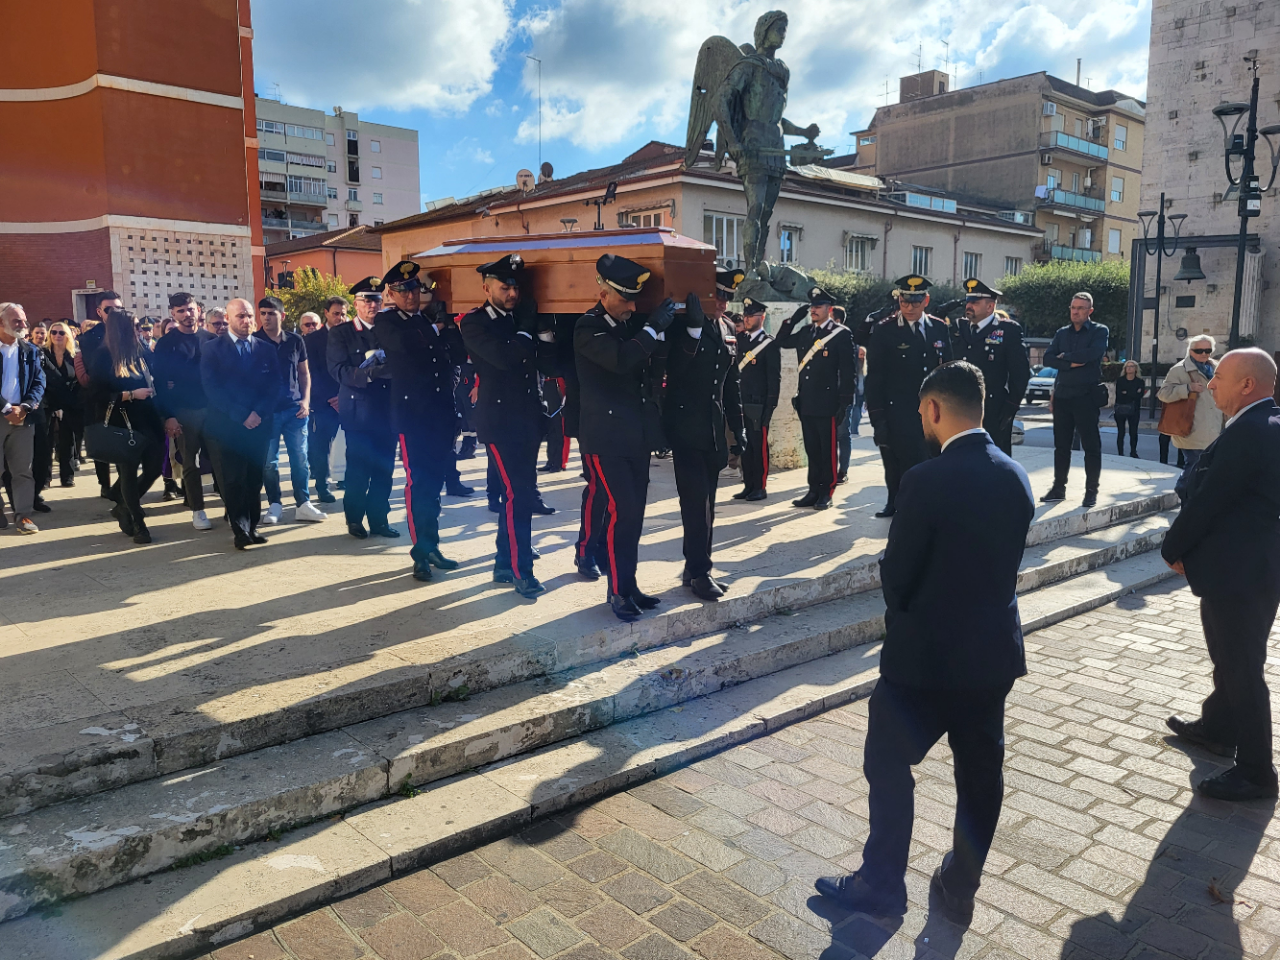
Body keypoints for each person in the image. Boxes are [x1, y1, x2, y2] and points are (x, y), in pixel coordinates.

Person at [816, 360, 1034, 924]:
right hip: (990, 655)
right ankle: (961, 883)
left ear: (934, 409)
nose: (921, 421)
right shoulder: (1016, 474)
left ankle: (881, 884)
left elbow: (902, 576)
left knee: (887, 764)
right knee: (980, 774)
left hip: (925, 661)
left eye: (921, 412)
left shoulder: (925, 478)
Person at [1162, 348, 1280, 802]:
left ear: (1247, 385)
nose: (1211, 384)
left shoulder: (1250, 431)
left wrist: (1173, 547)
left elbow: (1210, 500)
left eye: (1220, 378)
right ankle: (1218, 727)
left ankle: (1255, 771)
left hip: (1241, 572)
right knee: (1229, 656)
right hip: (1248, 566)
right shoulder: (1264, 422)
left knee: (1242, 667)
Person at [574, 254, 677, 620]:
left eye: (636, 298)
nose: (633, 305)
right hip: (604, 439)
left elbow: (649, 359)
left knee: (634, 516)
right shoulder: (588, 328)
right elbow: (621, 360)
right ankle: (617, 591)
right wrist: (652, 329)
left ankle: (628, 584)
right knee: (622, 512)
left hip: (634, 436)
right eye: (625, 298)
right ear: (604, 294)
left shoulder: (628, 324)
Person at [461, 255, 557, 597]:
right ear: (487, 288)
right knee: (518, 495)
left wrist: (542, 330)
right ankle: (521, 571)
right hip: (500, 422)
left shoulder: (522, 319)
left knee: (517, 493)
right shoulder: (474, 322)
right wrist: (524, 328)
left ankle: (504, 561)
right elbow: (504, 358)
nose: (513, 293)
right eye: (506, 287)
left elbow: (547, 360)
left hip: (529, 418)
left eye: (517, 286)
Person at [374, 262, 468, 579]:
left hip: (440, 413)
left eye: (415, 288)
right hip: (413, 417)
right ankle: (420, 553)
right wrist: (437, 328)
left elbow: (456, 357)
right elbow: (403, 345)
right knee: (419, 484)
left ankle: (432, 545)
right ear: (390, 293)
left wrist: (450, 326)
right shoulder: (387, 321)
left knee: (435, 483)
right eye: (403, 290)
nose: (411, 295)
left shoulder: (428, 322)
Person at [664, 291, 745, 600]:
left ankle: (695, 568)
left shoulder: (727, 328)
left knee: (709, 505)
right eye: (717, 297)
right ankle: (700, 571)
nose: (723, 304)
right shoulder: (684, 326)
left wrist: (738, 428)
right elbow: (675, 372)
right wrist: (693, 332)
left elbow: (730, 382)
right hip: (686, 429)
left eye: (727, 299)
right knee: (696, 504)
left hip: (713, 431)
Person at [864, 276, 954, 517]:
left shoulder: (939, 327)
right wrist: (877, 418)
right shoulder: (885, 330)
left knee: (930, 461)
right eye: (905, 302)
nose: (909, 308)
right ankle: (895, 501)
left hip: (932, 412)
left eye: (915, 302)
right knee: (895, 463)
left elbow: (947, 371)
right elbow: (874, 378)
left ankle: (926, 505)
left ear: (926, 300)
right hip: (898, 411)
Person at [200, 299, 283, 550]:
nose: (246, 321)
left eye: (249, 316)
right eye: (240, 317)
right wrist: (242, 414)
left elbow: (275, 386)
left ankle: (253, 526)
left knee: (254, 478)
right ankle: (240, 529)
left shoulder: (265, 348)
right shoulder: (212, 349)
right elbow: (212, 388)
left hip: (259, 425)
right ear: (228, 318)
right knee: (233, 479)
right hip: (229, 426)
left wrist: (258, 413)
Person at [328, 276, 397, 540]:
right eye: (367, 301)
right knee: (359, 470)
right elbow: (338, 371)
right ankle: (355, 520)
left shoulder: (388, 330)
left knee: (384, 470)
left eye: (377, 300)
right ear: (356, 304)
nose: (373, 306)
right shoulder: (341, 333)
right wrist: (372, 373)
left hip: (388, 411)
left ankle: (379, 520)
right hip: (359, 413)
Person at [87, 308, 164, 543]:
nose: (138, 330)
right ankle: (138, 522)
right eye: (133, 326)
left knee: (154, 468)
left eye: (138, 326)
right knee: (128, 473)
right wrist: (131, 394)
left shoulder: (141, 351)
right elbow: (96, 395)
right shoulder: (103, 357)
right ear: (120, 329)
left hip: (149, 418)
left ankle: (121, 505)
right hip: (123, 421)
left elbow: (157, 375)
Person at [776, 286, 857, 509]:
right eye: (811, 306)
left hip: (828, 402)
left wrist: (844, 402)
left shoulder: (841, 334)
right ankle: (813, 490)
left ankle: (826, 491)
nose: (813, 310)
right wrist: (793, 320)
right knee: (812, 448)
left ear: (829, 309)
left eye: (818, 306)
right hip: (807, 400)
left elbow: (848, 372)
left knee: (827, 450)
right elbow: (781, 342)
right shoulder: (806, 332)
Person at [253, 297, 325, 524]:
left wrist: (306, 400)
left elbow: (304, 373)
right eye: (263, 313)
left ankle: (303, 504)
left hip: (295, 410)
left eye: (271, 313)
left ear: (282, 316)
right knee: (269, 462)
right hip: (267, 413)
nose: (266, 317)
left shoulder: (295, 341)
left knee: (300, 458)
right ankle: (274, 504)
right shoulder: (253, 341)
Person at [153, 292, 217, 530]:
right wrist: (169, 415)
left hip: (214, 410)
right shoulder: (166, 344)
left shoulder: (211, 339)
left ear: (198, 310)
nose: (187, 314)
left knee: (220, 460)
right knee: (190, 462)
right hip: (183, 412)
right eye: (180, 311)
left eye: (190, 309)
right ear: (173, 314)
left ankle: (230, 508)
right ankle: (198, 510)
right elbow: (160, 383)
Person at [1041, 292, 1109, 508]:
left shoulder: (1099, 331)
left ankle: (1091, 492)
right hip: (1062, 396)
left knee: (1091, 446)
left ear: (1090, 311)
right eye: (1073, 307)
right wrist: (1070, 362)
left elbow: (1092, 355)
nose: (1075, 311)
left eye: (1080, 308)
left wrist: (1065, 357)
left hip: (1086, 396)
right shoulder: (1062, 333)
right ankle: (1058, 488)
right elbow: (1048, 358)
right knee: (1061, 446)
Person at [952, 279, 1030, 456]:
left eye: (975, 302)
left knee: (993, 460)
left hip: (993, 409)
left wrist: (1011, 406)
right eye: (968, 302)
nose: (969, 306)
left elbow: (1020, 373)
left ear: (990, 307)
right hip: (961, 408)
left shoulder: (1007, 331)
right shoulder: (959, 328)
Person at [1157, 336, 1223, 501]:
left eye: (1207, 350)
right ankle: (1185, 497)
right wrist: (1187, 388)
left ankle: (1196, 503)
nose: (1203, 354)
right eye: (1198, 350)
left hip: (1215, 429)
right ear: (1190, 351)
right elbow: (1163, 394)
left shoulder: (1216, 368)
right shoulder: (1180, 370)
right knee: (1193, 467)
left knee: (1206, 470)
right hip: (1191, 428)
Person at [0, 303, 46, 534]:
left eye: (24, 321)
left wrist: (26, 407)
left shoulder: (30, 350)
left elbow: (39, 381)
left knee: (23, 470)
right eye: (17, 320)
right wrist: (6, 407)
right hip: (3, 414)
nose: (23, 325)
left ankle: (23, 516)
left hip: (22, 418)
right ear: (1, 323)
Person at [733, 298, 780, 502]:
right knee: (745, 446)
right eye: (746, 315)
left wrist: (769, 408)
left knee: (758, 446)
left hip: (759, 403)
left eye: (751, 316)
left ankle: (760, 486)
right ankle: (748, 484)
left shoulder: (768, 344)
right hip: (741, 400)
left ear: (762, 317)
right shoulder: (740, 340)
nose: (747, 319)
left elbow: (774, 378)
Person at [76, 290, 122, 499]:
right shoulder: (89, 338)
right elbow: (94, 369)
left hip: (128, 397)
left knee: (125, 441)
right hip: (99, 398)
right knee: (102, 442)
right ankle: (105, 483)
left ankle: (123, 484)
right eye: (109, 309)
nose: (114, 313)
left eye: (118, 309)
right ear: (99, 312)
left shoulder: (130, 332)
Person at [305, 297, 347, 504]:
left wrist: (345, 395)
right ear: (326, 313)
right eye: (336, 313)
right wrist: (332, 397)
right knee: (320, 446)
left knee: (350, 444)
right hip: (324, 402)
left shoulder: (351, 336)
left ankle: (345, 478)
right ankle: (322, 485)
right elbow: (311, 373)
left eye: (343, 313)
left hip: (350, 399)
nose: (340, 317)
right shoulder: (312, 340)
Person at [42, 321, 81, 488]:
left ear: (68, 336)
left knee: (67, 442)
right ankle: (44, 478)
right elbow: (41, 382)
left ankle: (67, 476)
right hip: (47, 404)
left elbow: (77, 383)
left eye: (61, 333)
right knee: (46, 443)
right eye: (54, 332)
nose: (57, 336)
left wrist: (65, 405)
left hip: (69, 404)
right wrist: (53, 405)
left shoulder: (74, 357)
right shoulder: (42, 354)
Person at [1113, 360, 1145, 457]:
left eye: (1131, 366)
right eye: (1127, 366)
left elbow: (1140, 395)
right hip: (1120, 409)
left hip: (1134, 410)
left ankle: (1133, 452)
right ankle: (1120, 453)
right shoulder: (1120, 380)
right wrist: (1133, 393)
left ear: (1135, 368)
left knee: (1133, 432)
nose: (1129, 368)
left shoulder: (1140, 381)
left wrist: (1127, 393)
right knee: (1121, 432)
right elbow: (1119, 394)